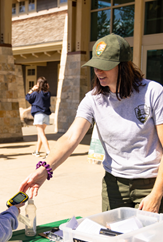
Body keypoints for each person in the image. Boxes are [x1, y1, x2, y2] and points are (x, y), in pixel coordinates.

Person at [19, 34, 163, 213]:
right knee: (113, 239)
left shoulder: (153, 92)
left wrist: (157, 193)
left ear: (124, 66)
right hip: (114, 184)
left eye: (105, 66)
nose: (98, 71)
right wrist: (45, 169)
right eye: (95, 66)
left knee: (146, 240)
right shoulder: (93, 99)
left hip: (151, 183)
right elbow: (71, 137)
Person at [26, 76, 52, 157]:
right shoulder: (48, 93)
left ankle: (48, 151)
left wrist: (32, 89)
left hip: (38, 115)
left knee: (41, 134)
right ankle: (37, 151)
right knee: (40, 134)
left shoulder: (36, 93)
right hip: (46, 115)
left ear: (38, 84)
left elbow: (28, 97)